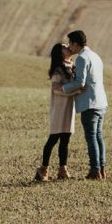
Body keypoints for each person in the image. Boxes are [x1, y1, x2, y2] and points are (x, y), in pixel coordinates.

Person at [54, 30, 108, 180]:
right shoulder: (95, 56)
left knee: (91, 138)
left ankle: (95, 171)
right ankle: (101, 169)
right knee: (98, 137)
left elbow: (80, 83)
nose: (70, 47)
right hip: (101, 102)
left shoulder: (82, 58)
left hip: (90, 103)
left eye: (70, 43)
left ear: (76, 44)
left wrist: (63, 88)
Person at [35, 43, 78, 181]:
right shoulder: (58, 70)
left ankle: (62, 169)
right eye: (65, 47)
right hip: (59, 108)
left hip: (69, 108)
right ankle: (43, 169)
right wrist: (75, 91)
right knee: (53, 138)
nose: (69, 47)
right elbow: (56, 89)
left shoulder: (72, 66)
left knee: (65, 139)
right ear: (60, 53)